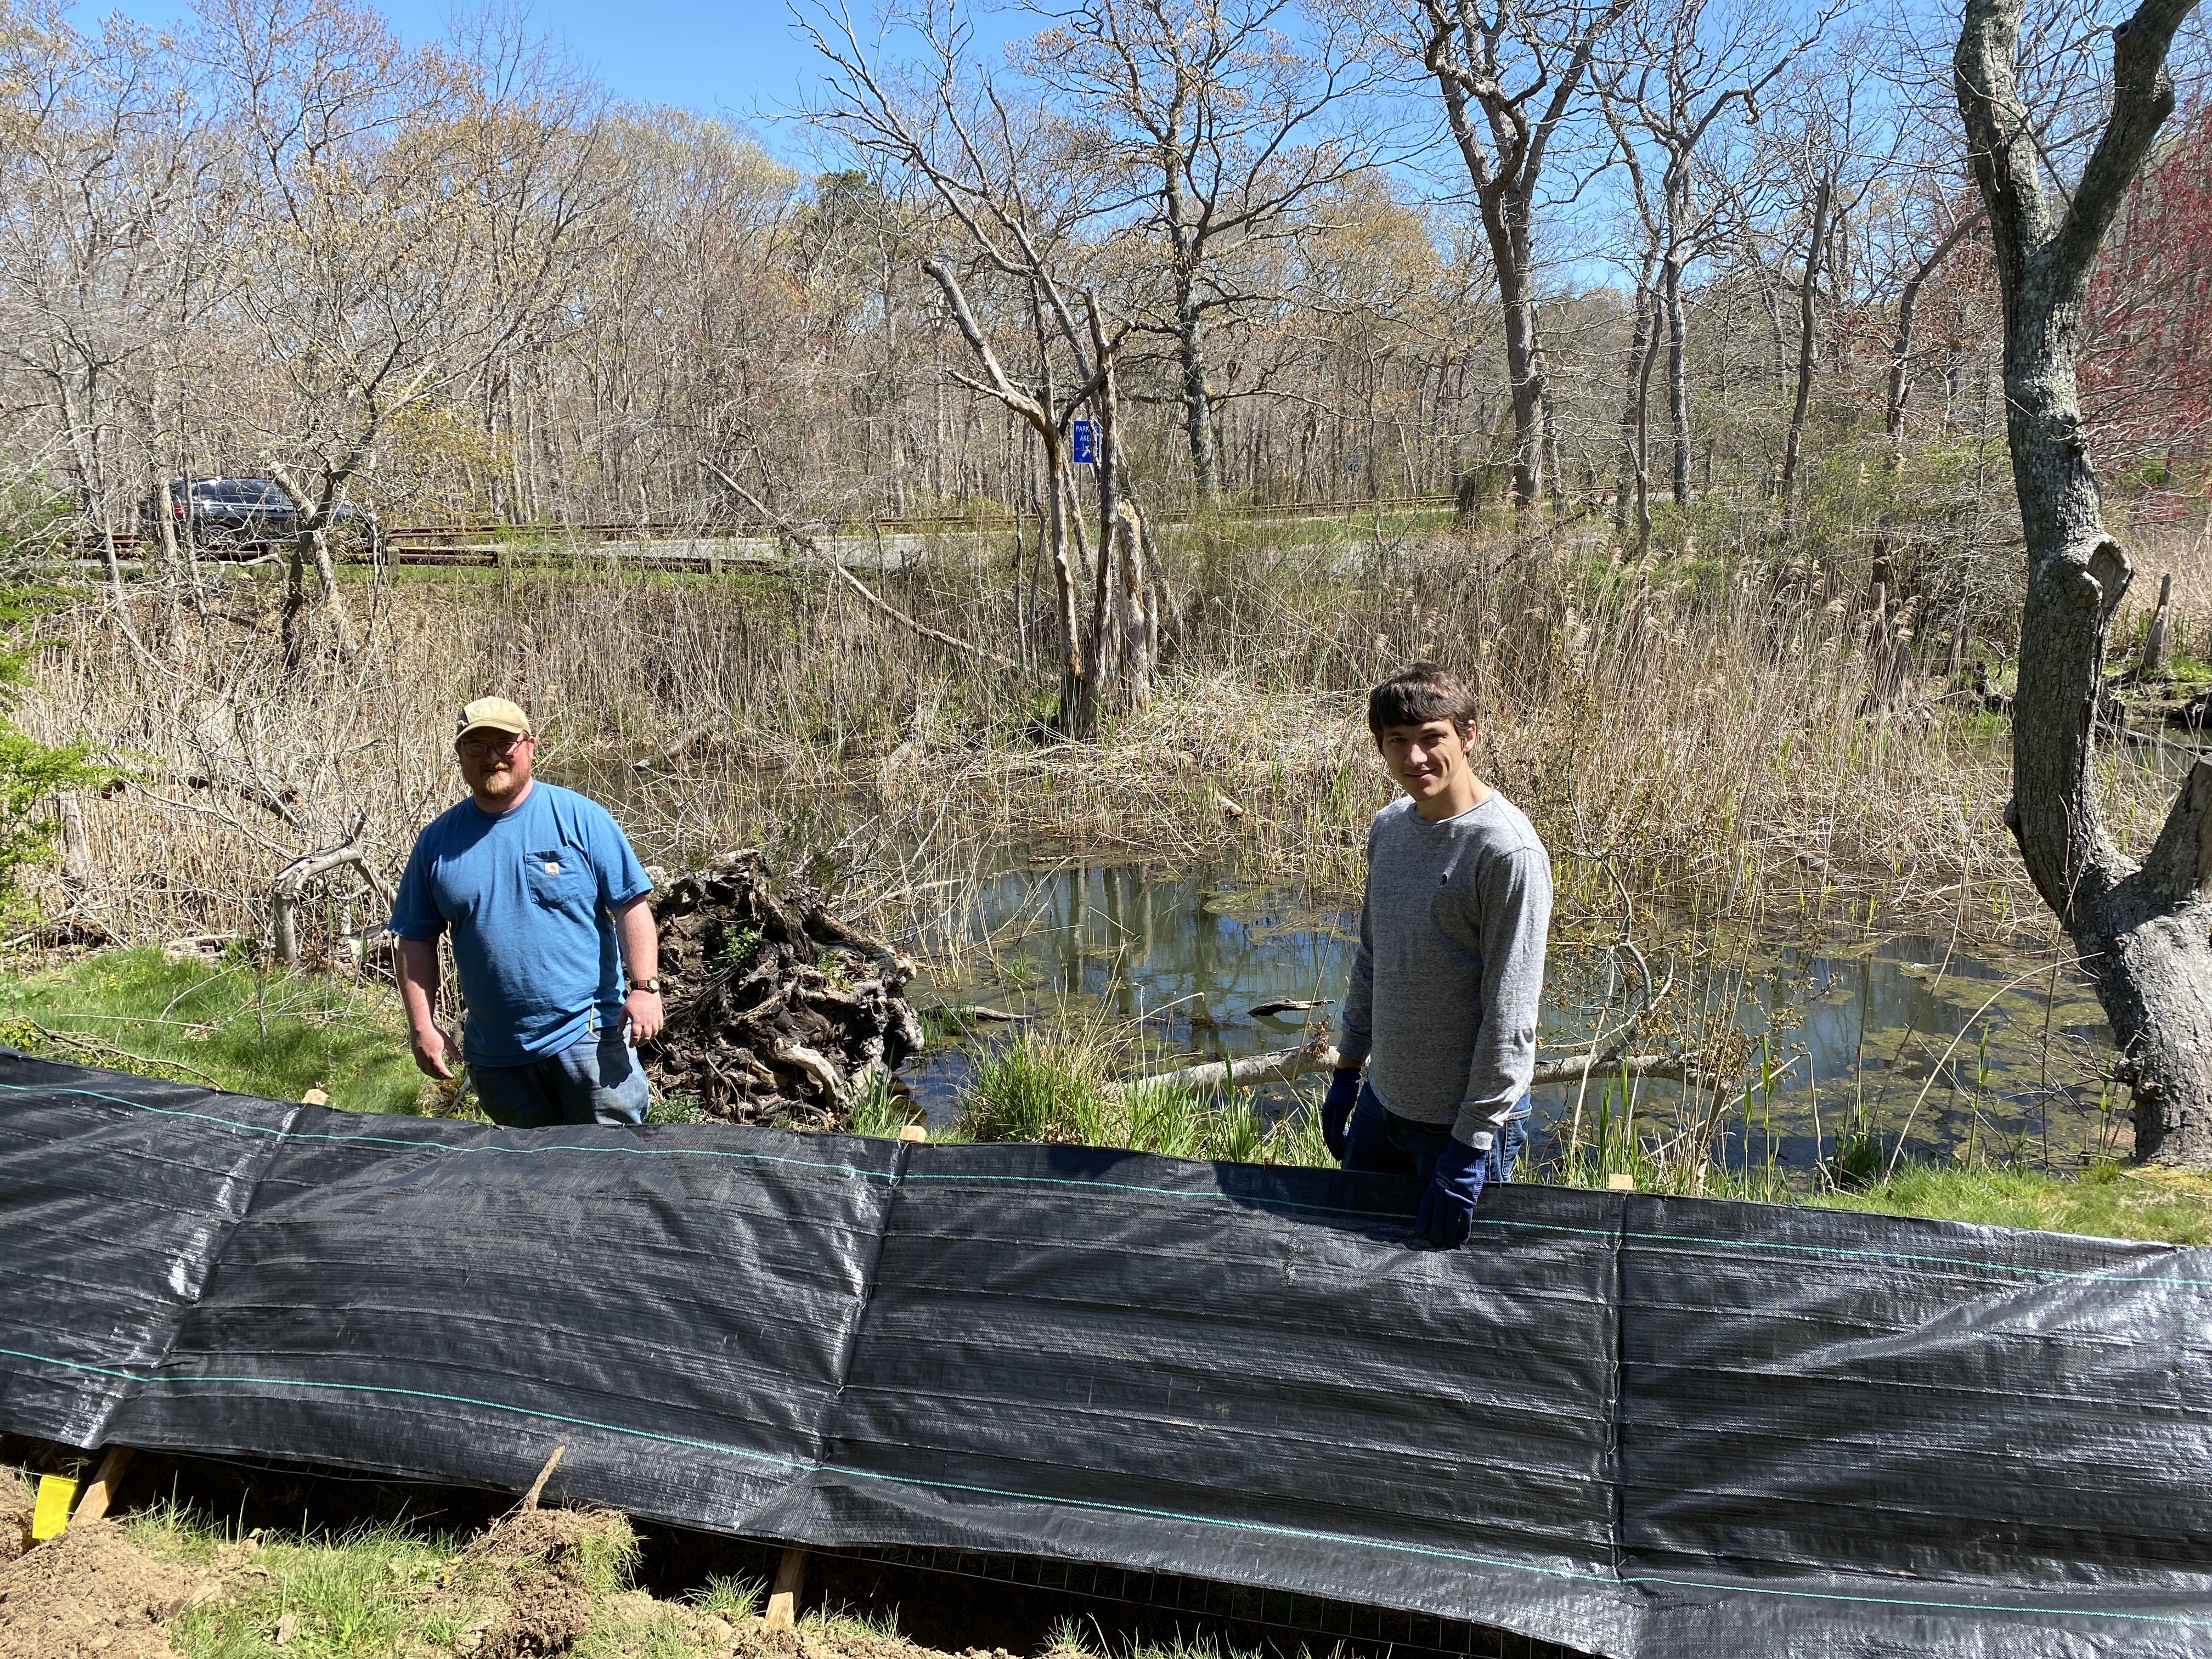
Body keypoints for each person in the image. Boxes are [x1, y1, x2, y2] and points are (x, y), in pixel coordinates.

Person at [1322, 662, 1553, 1248]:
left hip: (1461, 1129)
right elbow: (1375, 957)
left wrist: (1471, 1145)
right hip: (1382, 1106)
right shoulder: (1390, 828)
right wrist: (1348, 1071)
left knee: (1455, 1293)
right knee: (1355, 1264)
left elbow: (1510, 1016)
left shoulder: (1506, 851)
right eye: (1397, 741)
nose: (1414, 758)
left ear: (1468, 736)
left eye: (1432, 738)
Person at [391, 697, 664, 1127]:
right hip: (497, 1057)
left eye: (505, 743)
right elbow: (414, 939)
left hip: (589, 1039)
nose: (493, 757)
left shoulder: (580, 818)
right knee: (532, 1186)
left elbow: (630, 905)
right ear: (460, 755)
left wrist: (645, 988)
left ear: (530, 746)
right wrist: (422, 1026)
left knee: (614, 1173)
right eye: (477, 746)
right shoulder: (436, 843)